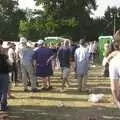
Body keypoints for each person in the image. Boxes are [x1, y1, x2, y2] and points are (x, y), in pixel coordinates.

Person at [0, 39, 11, 111]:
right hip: (4, 74)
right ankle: (3, 106)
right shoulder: (5, 56)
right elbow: (10, 63)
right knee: (4, 90)